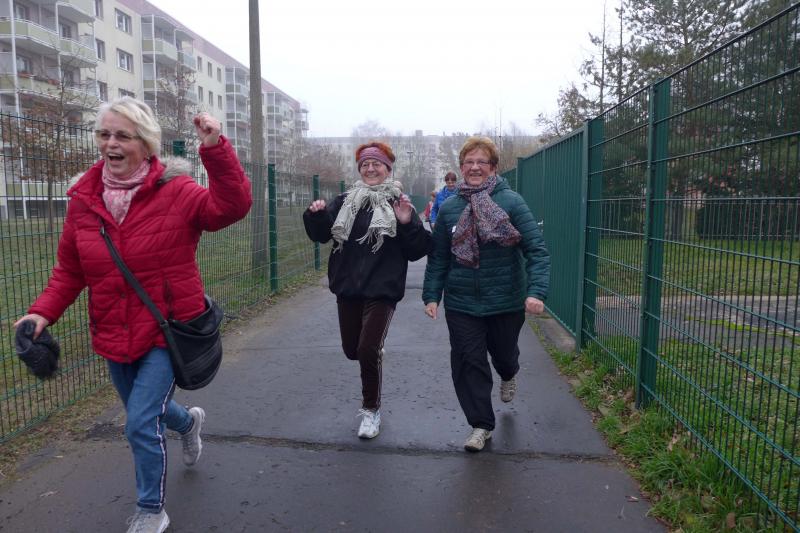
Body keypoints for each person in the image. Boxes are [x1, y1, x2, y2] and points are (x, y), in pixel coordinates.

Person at [14, 97, 252, 533]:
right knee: (149, 411)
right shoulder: (84, 201)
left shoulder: (176, 191)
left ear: (145, 143)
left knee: (140, 421)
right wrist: (40, 313)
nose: (110, 143)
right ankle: (188, 422)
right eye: (104, 134)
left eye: (122, 135)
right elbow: (70, 270)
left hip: (167, 328)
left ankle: (150, 510)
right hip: (113, 328)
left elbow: (231, 207)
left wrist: (215, 148)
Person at [422, 136, 549, 453]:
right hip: (462, 302)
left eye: (482, 162)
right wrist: (431, 295)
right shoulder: (450, 208)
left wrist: (536, 291)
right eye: (469, 162)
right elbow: (438, 257)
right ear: (461, 167)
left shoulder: (512, 203)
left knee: (504, 355)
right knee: (469, 361)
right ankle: (481, 425)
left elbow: (536, 250)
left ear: (493, 167)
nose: (475, 167)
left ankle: (509, 372)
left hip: (505, 300)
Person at [303, 141, 430, 439]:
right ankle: (371, 349)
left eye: (377, 164)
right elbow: (322, 235)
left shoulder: (399, 202)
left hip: (383, 290)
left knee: (366, 348)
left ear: (388, 169)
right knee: (353, 351)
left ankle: (371, 410)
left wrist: (407, 223)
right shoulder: (345, 201)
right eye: (365, 165)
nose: (371, 169)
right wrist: (317, 214)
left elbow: (418, 250)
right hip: (348, 287)